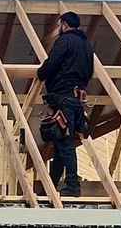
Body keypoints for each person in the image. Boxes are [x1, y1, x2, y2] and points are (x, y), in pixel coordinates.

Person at [35, 10, 94, 197]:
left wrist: (41, 73)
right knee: (61, 144)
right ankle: (50, 186)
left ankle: (72, 186)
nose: (59, 28)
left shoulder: (64, 41)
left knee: (65, 143)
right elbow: (89, 71)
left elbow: (52, 63)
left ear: (64, 25)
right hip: (77, 100)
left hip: (64, 98)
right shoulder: (86, 45)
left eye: (59, 25)